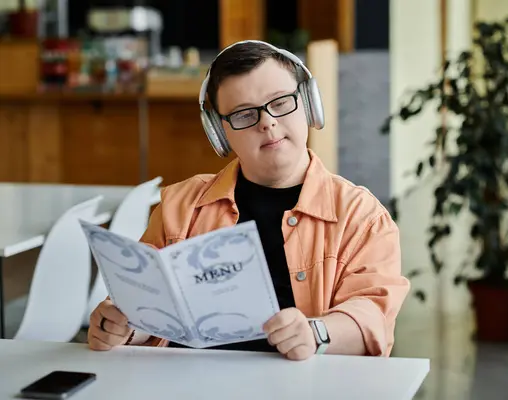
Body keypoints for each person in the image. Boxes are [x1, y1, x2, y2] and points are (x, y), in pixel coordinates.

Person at [87, 40, 410, 360]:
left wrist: (316, 333)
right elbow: (152, 311)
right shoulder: (180, 206)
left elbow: (373, 318)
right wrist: (126, 327)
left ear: (309, 104)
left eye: (281, 102)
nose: (267, 122)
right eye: (244, 114)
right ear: (219, 131)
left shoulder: (361, 215)